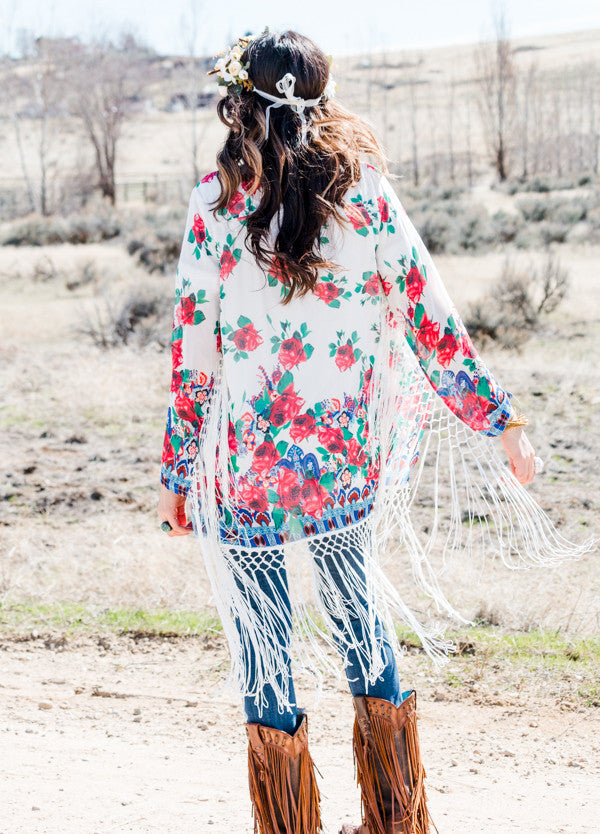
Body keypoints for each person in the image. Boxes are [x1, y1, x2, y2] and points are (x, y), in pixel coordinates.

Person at [156, 30, 587, 834]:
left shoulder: (214, 204)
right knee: (360, 620)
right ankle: (396, 819)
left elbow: (195, 355)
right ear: (320, 100)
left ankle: (288, 824)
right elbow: (430, 319)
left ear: (242, 104)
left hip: (248, 473)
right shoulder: (365, 195)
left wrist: (178, 474)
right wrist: (500, 420)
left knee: (263, 643)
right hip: (342, 464)